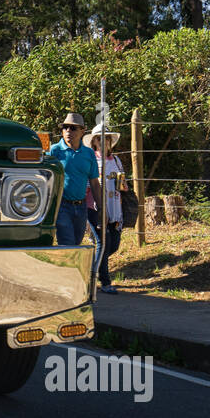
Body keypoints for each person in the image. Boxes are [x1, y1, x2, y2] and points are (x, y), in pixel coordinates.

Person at [46, 111, 100, 246]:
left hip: (81, 207)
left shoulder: (89, 153)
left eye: (73, 128)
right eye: (65, 127)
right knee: (67, 244)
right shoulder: (54, 151)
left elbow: (94, 182)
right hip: (61, 206)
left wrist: (102, 208)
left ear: (82, 131)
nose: (68, 130)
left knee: (76, 244)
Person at [84, 122, 124, 293]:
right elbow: (87, 184)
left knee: (113, 244)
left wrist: (123, 185)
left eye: (106, 139)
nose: (103, 142)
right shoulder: (91, 159)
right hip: (95, 206)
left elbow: (123, 183)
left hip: (115, 206)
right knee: (103, 244)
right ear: (94, 142)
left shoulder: (116, 160)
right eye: (99, 139)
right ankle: (104, 281)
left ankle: (88, 270)